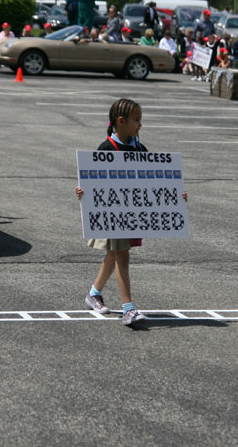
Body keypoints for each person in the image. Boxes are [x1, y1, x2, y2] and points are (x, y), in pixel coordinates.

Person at [75, 98, 187, 326]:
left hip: (131, 214)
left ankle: (93, 294)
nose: (140, 125)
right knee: (122, 256)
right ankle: (128, 309)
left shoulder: (140, 149)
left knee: (114, 255)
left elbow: (153, 180)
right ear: (120, 121)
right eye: (136, 120)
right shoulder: (106, 149)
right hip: (112, 215)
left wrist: (175, 195)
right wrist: (83, 192)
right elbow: (94, 181)